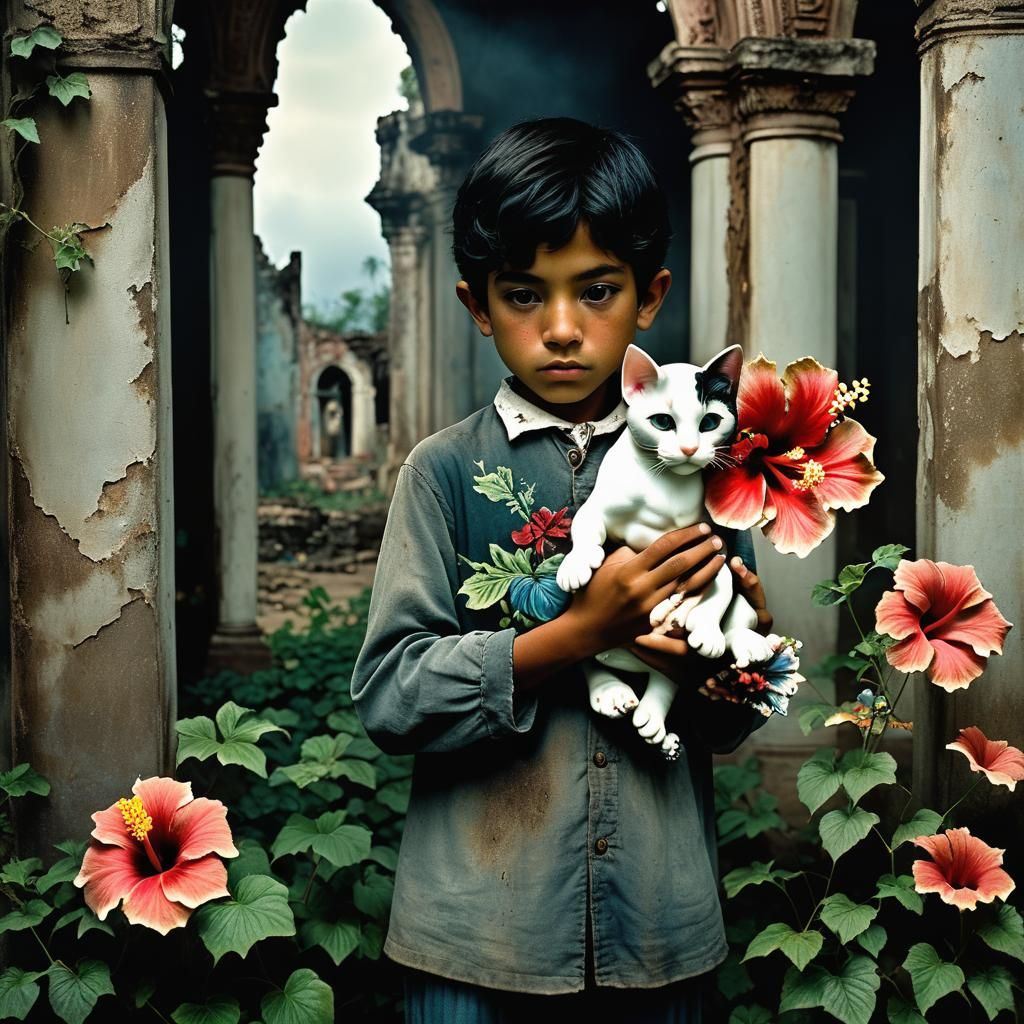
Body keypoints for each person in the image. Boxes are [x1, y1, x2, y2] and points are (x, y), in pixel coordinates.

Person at [351, 117, 775, 1023]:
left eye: (596, 291)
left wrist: (721, 662)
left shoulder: (705, 470)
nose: (560, 329)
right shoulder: (445, 472)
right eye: (521, 296)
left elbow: (738, 714)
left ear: (649, 297)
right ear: (477, 306)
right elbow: (390, 693)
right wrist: (579, 634)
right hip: (475, 944)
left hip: (658, 940)